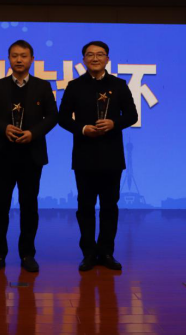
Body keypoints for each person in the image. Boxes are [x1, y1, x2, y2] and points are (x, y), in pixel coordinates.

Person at [58, 41, 138, 272]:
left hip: (112, 155)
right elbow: (62, 118)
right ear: (83, 59)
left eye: (100, 54)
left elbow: (132, 115)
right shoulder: (74, 86)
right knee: (85, 206)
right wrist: (83, 129)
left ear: (107, 59)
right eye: (90, 55)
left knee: (109, 206)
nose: (95, 58)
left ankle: (107, 252)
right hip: (84, 154)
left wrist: (114, 123)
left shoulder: (119, 85)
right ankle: (88, 253)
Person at [0, 40, 58, 273]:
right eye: (14, 56)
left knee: (29, 206)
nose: (19, 60)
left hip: (31, 155)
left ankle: (27, 254)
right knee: (0, 206)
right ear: (9, 59)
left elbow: (52, 117)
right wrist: (3, 128)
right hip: (2, 155)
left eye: (23, 56)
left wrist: (34, 133)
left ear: (32, 59)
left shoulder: (43, 86)